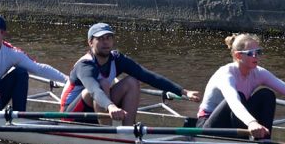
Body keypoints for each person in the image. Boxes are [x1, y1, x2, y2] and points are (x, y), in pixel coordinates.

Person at [196, 33, 285, 139]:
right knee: (239, 96)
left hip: (235, 121)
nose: (256, 56)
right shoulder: (226, 74)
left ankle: (264, 140)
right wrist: (252, 122)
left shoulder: (258, 72)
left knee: (266, 94)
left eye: (258, 52)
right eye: (251, 53)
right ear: (238, 55)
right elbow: (234, 102)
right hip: (208, 126)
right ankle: (250, 140)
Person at [59, 22, 201, 125]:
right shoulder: (85, 65)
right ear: (90, 42)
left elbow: (148, 76)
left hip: (100, 108)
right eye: (100, 39)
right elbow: (94, 90)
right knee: (102, 84)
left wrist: (183, 92)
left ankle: (127, 131)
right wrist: (111, 106)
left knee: (132, 82)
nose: (106, 42)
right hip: (71, 115)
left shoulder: (117, 59)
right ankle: (107, 134)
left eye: (108, 38)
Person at [0, 14, 68, 111]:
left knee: (21, 73)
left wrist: (67, 80)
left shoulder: (11, 52)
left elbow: (38, 68)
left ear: (3, 34)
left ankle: (19, 116)